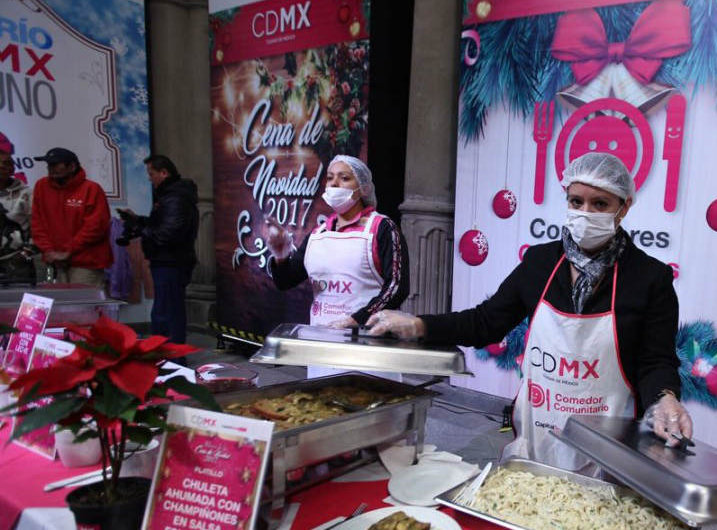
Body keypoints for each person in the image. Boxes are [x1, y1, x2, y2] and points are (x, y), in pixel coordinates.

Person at [364, 152, 693, 470]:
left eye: (600, 204)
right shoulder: (541, 262)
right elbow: (485, 322)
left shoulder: (650, 278)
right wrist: (419, 324)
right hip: (539, 433)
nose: (585, 212)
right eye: (576, 201)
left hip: (610, 442)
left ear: (624, 208)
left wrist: (665, 398)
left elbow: (656, 360)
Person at [265, 153, 409, 331]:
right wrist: (281, 256)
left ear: (363, 188)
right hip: (321, 337)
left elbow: (397, 287)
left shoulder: (382, 228)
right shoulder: (318, 234)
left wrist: (358, 319)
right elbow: (285, 282)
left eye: (345, 178)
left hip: (367, 339)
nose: (334, 184)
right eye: (330, 178)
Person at [117, 155, 199, 344]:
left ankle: (172, 357)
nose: (149, 178)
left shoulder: (175, 198)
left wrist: (139, 229)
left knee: (167, 312)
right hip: (166, 261)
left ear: (164, 173)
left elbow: (167, 233)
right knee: (164, 310)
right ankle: (165, 354)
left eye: (151, 174)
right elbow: (161, 225)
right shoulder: (170, 196)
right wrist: (138, 220)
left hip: (171, 262)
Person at [29, 147, 112, 287]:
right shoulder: (41, 186)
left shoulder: (91, 189)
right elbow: (37, 223)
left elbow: (96, 227)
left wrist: (68, 251)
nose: (50, 168)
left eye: (55, 164)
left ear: (72, 166)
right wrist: (49, 251)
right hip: (54, 261)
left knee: (83, 306)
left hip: (85, 262)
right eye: (49, 164)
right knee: (58, 307)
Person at [0, 149, 35, 283]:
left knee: (24, 302)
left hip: (17, 262)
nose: (1, 167)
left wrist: (26, 254)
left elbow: (38, 227)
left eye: (6, 164)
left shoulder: (26, 194)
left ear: (12, 168)